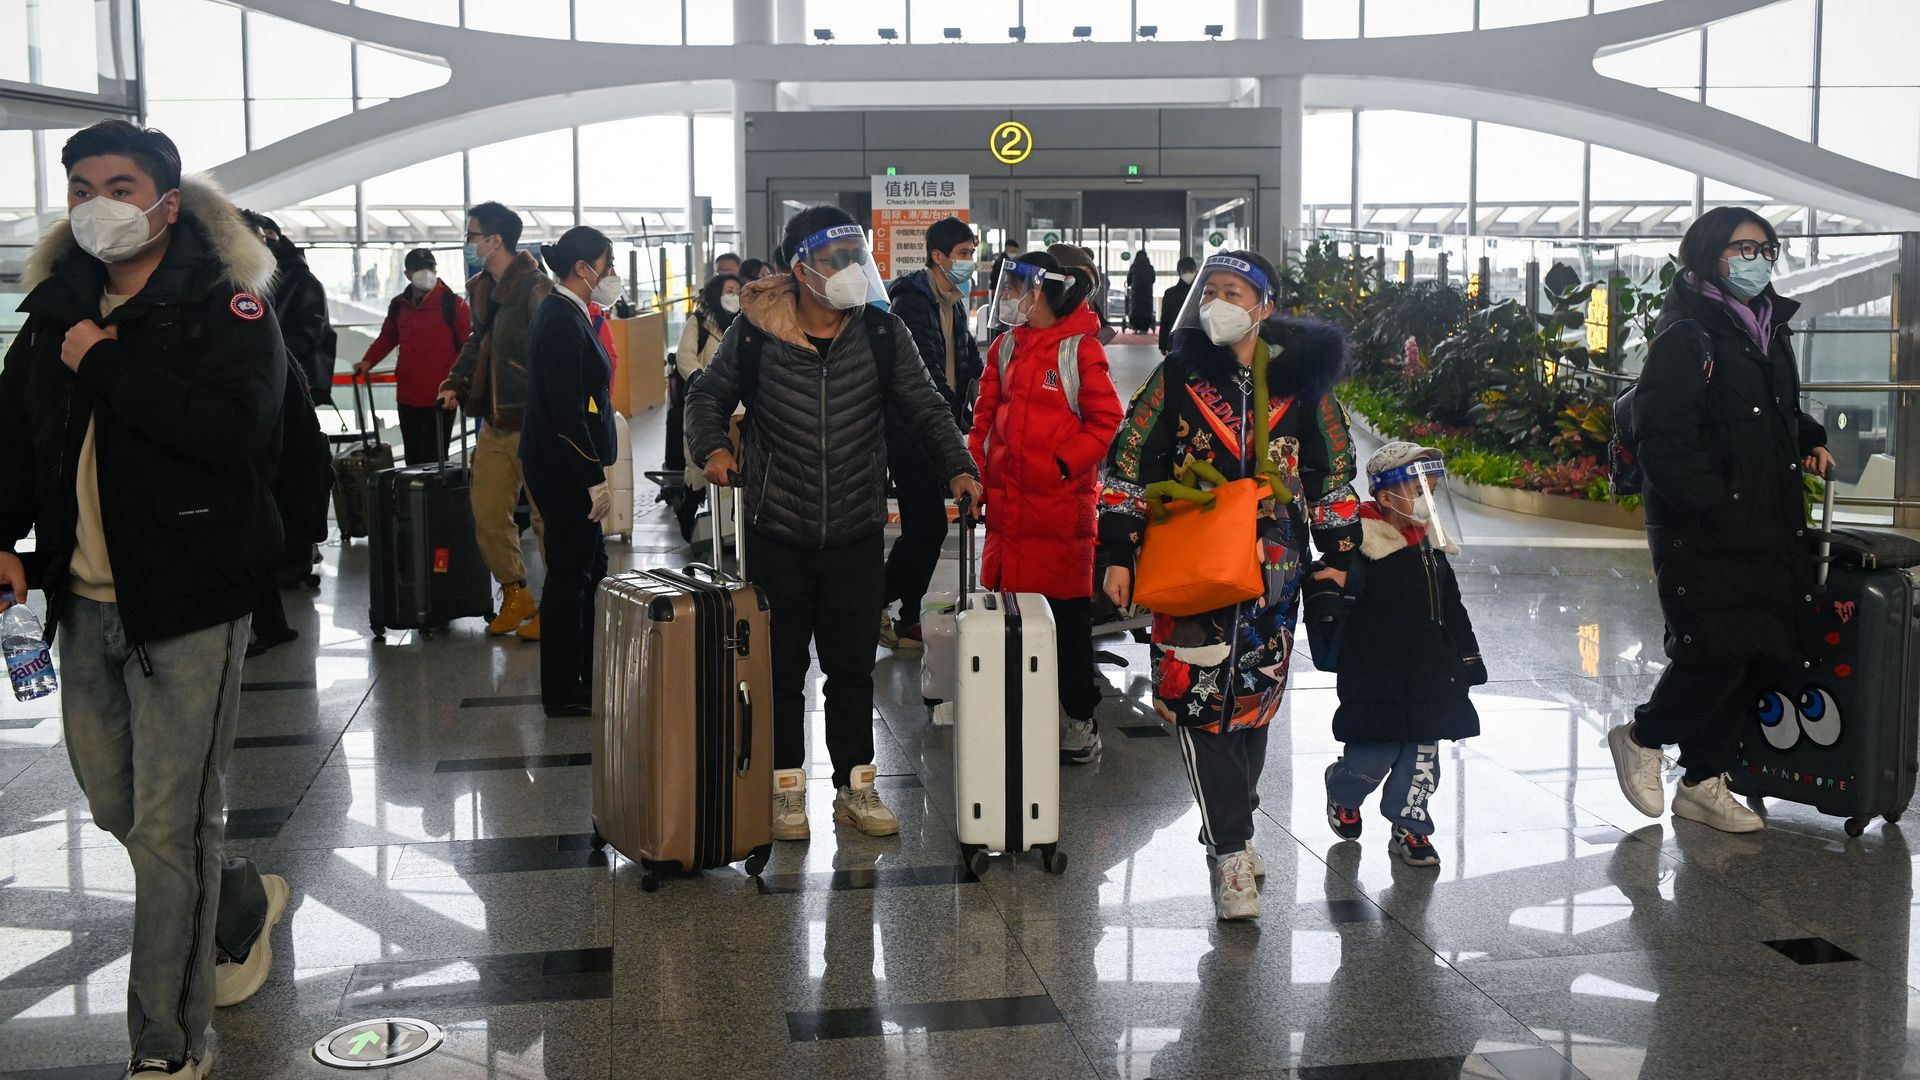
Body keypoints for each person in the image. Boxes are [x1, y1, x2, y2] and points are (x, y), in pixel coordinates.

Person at [0, 120, 292, 1079]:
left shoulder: (224, 306)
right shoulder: (55, 312)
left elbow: (235, 430)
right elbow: (15, 435)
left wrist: (105, 360)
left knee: (170, 829)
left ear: (167, 200)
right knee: (119, 806)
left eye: (119, 186)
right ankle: (236, 896)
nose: (98, 205)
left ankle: (166, 1043)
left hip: (191, 601)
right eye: (81, 186)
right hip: (82, 599)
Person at [686, 205, 982, 843]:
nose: (851, 269)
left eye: (857, 255)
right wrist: (713, 446)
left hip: (854, 527)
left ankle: (856, 785)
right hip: (777, 527)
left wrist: (958, 465)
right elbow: (706, 395)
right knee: (782, 670)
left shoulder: (881, 331)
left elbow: (926, 406)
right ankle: (786, 787)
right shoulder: (756, 333)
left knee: (852, 668)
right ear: (801, 270)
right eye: (835, 258)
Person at [1099, 250, 1361, 921]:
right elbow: (1131, 461)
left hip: (1274, 571)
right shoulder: (1179, 376)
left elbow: (1332, 475)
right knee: (1196, 695)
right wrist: (1118, 548)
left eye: (1234, 290)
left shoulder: (1305, 386)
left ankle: (1231, 817)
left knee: (1255, 697)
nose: (1217, 300)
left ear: (1265, 306)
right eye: (1209, 289)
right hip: (1190, 560)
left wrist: (1337, 556)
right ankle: (1231, 850)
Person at [1608, 206, 1834, 834]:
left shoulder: (1767, 329)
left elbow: (1770, 411)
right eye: (1741, 248)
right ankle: (1642, 736)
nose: (1756, 259)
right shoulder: (1687, 336)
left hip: (1766, 517)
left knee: (1754, 649)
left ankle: (1704, 781)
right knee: (1715, 651)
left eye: (1765, 248)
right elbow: (1663, 435)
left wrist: (1807, 435)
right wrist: (1713, 504)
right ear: (1708, 254)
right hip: (1703, 527)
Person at [971, 252, 1125, 764]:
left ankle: (1081, 719)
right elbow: (984, 420)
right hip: (1007, 512)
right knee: (1009, 617)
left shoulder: (1080, 350)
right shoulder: (1004, 347)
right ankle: (1017, 712)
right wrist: (973, 474)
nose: (1009, 297)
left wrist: (1061, 466)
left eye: (1016, 286)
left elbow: (1106, 421)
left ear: (1043, 292)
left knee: (1066, 623)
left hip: (1060, 516)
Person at [1318, 442, 1484, 869]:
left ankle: (1411, 829)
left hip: (1431, 674)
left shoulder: (1432, 550)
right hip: (1377, 677)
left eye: (1432, 489)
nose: (1428, 499)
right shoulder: (1361, 547)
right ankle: (1343, 789)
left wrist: (1467, 658)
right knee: (1371, 759)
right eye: (1418, 489)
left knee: (1421, 765)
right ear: (1386, 497)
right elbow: (1332, 606)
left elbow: (1452, 608)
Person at [438, 201, 551, 641]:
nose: (469, 242)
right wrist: (456, 382)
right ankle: (515, 592)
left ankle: (555, 601)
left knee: (546, 519)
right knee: (487, 513)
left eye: (472, 235)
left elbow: (552, 350)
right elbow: (477, 341)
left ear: (495, 240)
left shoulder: (535, 287)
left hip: (532, 420)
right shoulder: (482, 288)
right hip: (493, 420)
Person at [520, 227, 620, 718]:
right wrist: (591, 478)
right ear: (583, 269)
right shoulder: (560, 318)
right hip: (562, 469)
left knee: (588, 570)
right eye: (607, 263)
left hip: (569, 465)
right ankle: (563, 691)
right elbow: (566, 411)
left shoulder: (572, 312)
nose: (612, 274)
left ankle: (583, 675)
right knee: (569, 575)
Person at [880, 215, 983, 650]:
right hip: (911, 430)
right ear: (937, 256)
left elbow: (966, 358)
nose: (968, 263)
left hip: (941, 429)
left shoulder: (953, 299)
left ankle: (904, 613)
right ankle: (877, 604)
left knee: (927, 527)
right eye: (962, 255)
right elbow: (921, 375)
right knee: (926, 528)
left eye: (972, 255)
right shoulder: (911, 301)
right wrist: (945, 421)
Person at [354, 248, 472, 466]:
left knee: (437, 461)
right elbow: (388, 337)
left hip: (441, 396)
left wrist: (459, 387)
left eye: (429, 267)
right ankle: (415, 501)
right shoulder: (399, 305)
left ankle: (436, 501)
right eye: (418, 269)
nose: (425, 273)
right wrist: (368, 361)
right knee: (413, 459)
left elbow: (469, 346)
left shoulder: (453, 304)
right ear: (407, 274)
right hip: (408, 397)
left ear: (436, 269)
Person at [669, 271, 742, 539]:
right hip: (703, 403)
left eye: (737, 290)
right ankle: (690, 518)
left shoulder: (744, 323)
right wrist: (702, 379)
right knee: (699, 467)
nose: (733, 296)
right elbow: (685, 355)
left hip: (737, 407)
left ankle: (725, 531)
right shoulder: (699, 322)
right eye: (728, 290)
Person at [244, 210, 331, 405]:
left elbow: (311, 329)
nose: (266, 242)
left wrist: (276, 354)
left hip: (291, 373)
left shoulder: (302, 280)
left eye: (269, 235)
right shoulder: (245, 280)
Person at [1159, 256, 1197, 354]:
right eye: (1185, 270)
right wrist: (1163, 344)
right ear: (1179, 272)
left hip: (1198, 340)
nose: (1188, 273)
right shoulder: (1170, 293)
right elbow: (1165, 320)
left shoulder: (1203, 292)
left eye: (1191, 270)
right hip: (1176, 339)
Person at [1125, 250, 1157, 333]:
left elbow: (1129, 279)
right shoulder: (1150, 267)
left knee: (1135, 308)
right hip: (1147, 292)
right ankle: (1144, 328)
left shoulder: (1133, 266)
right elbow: (1153, 279)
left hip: (1136, 292)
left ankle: (1135, 327)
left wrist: (1131, 284)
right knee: (1146, 309)